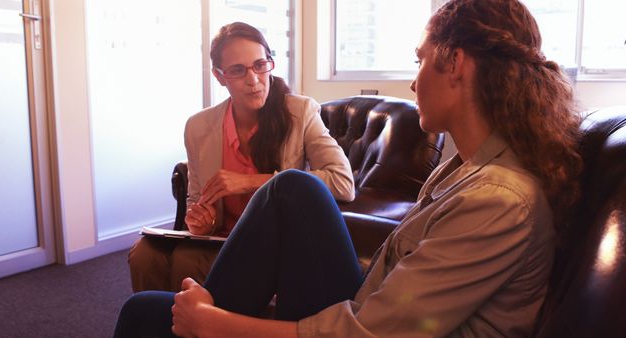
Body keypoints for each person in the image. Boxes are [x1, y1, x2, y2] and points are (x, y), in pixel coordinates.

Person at [114, 0, 583, 336]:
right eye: (237, 71)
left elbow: (369, 332)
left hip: (367, 326)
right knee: (289, 194)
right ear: (221, 77)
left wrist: (218, 325)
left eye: (420, 61)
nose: (414, 82)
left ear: (456, 63)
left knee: (148, 314)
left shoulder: (499, 198)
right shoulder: (464, 168)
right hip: (371, 304)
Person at [127, 22, 355, 292]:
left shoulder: (300, 112)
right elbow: (196, 199)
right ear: (219, 76)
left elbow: (343, 182)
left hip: (274, 242)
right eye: (238, 70)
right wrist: (202, 221)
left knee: (186, 260)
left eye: (260, 65)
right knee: (144, 254)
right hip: (222, 239)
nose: (254, 79)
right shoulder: (198, 126)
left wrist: (248, 181)